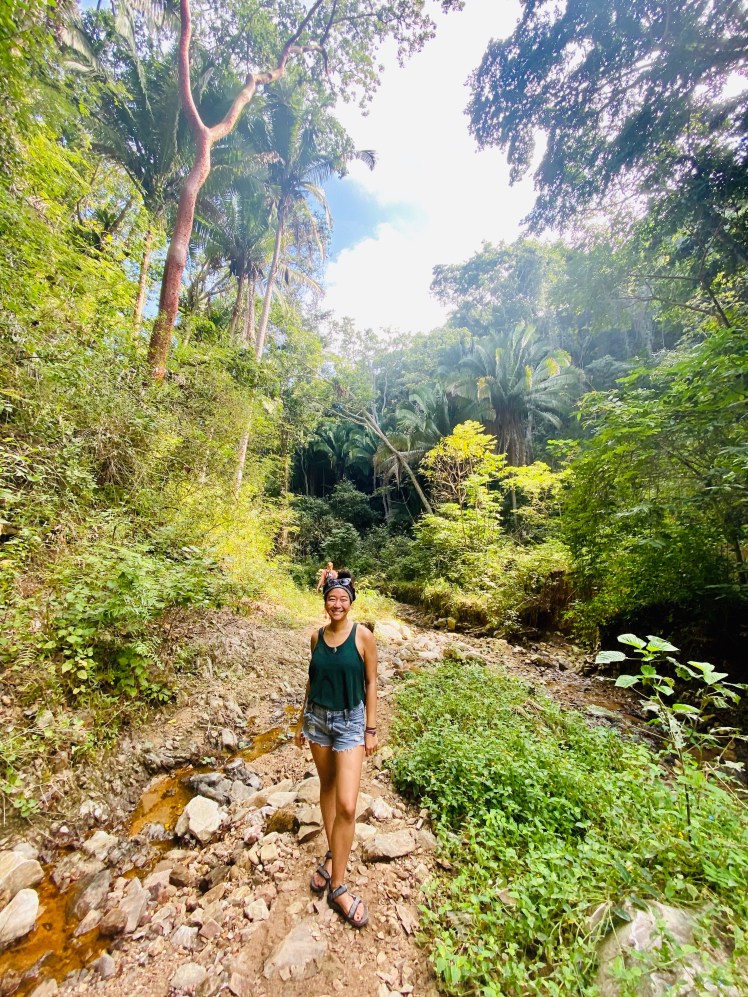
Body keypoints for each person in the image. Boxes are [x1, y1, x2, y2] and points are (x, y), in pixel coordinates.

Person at [295, 569, 378, 928]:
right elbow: (312, 680)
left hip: (350, 723)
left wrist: (371, 729)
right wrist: (301, 722)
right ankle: (333, 856)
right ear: (325, 602)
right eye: (332, 598)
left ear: (351, 602)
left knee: (347, 804)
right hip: (318, 721)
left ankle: (339, 885)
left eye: (343, 598)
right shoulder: (316, 637)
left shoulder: (363, 637)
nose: (337, 604)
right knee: (326, 787)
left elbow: (371, 682)